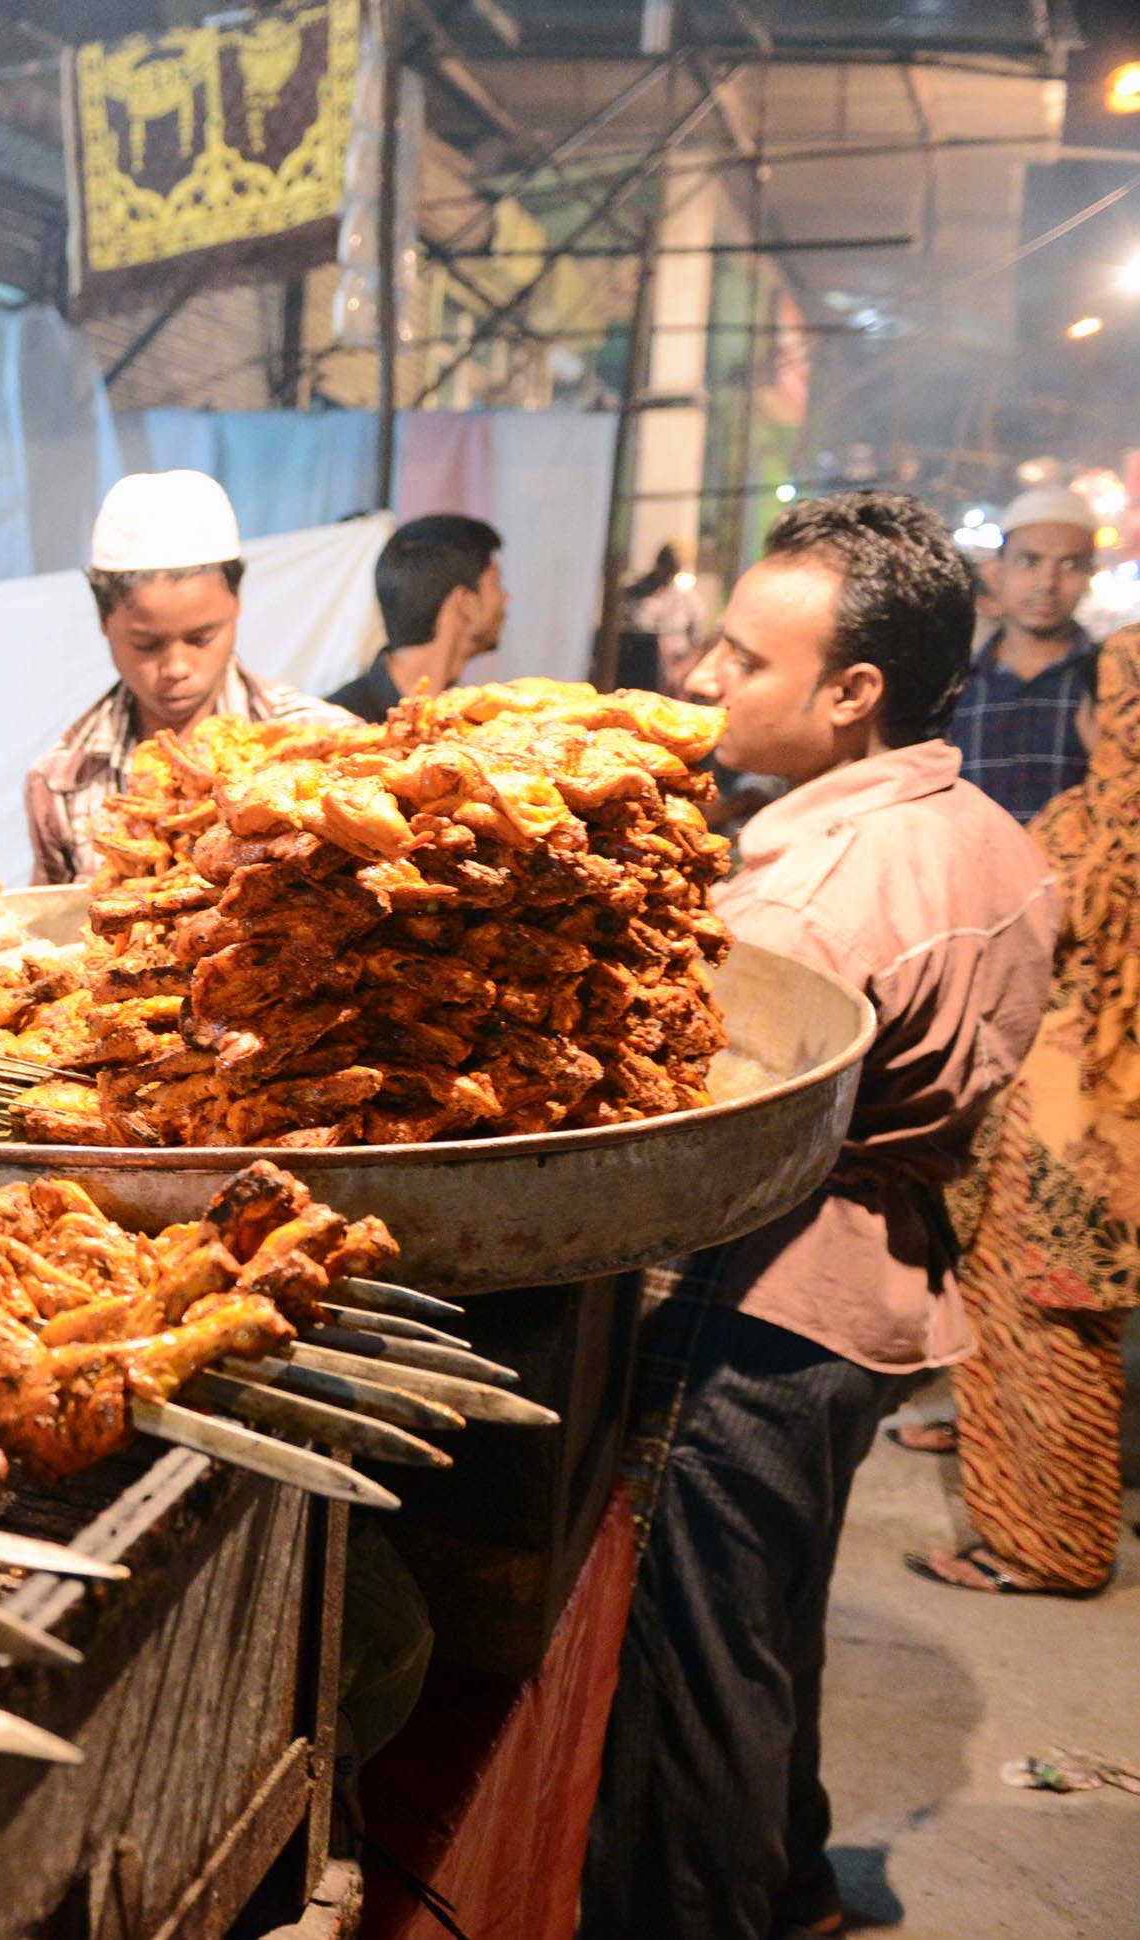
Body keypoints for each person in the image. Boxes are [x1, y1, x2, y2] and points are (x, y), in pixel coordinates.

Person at [582, 493, 1057, 1940]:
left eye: (744, 662)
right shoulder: (984, 834)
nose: (702, 683)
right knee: (770, 1623)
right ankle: (794, 1891)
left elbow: (694, 1135)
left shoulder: (820, 890)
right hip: (871, 1295)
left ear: (854, 692)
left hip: (763, 1300)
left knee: (695, 1670)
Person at [906, 620, 1140, 1597]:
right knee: (1012, 1310)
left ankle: (1055, 1545)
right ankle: (1007, 1489)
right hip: (1060, 1117)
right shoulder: (1091, 819)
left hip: (1082, 1133)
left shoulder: (1102, 831)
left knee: (1053, 1332)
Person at [26, 471, 351, 885]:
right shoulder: (62, 780)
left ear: (236, 604)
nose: (176, 667)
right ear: (103, 619)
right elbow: (57, 927)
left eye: (201, 638)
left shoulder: (324, 744)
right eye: (146, 644)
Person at [949, 484, 1102, 821]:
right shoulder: (954, 687)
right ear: (997, 571)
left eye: (1069, 565)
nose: (1047, 582)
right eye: (1029, 561)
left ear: (1089, 575)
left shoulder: (1111, 686)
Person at [327, 513, 507, 723]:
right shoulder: (336, 727)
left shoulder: (473, 723)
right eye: (495, 584)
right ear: (466, 602)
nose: (505, 598)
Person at [625, 541, 708, 696]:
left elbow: (698, 642)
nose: (668, 575)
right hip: (636, 671)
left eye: (674, 570)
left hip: (672, 676)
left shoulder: (688, 599)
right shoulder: (633, 593)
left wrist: (681, 671)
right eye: (667, 567)